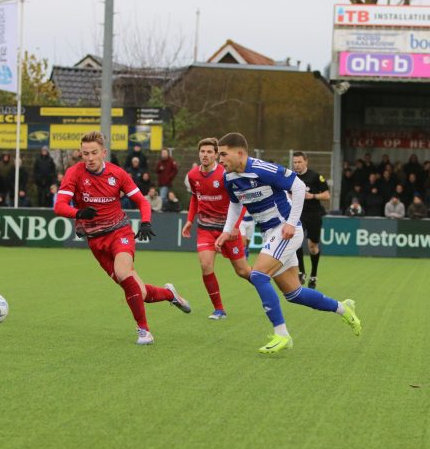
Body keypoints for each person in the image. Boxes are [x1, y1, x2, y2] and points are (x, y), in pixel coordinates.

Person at [214, 132, 360, 354]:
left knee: (258, 275)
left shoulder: (262, 168)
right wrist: (226, 232)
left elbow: (299, 186)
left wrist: (292, 223)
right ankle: (343, 308)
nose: (220, 159)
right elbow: (235, 205)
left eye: (223, 154)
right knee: (295, 294)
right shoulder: (229, 177)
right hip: (270, 233)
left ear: (240, 153)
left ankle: (281, 334)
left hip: (284, 230)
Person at [54, 131, 191, 345]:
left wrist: (145, 222)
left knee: (122, 272)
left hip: (120, 232)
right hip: (95, 241)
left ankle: (144, 331)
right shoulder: (74, 173)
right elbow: (59, 206)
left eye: (94, 153)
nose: (89, 158)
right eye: (85, 153)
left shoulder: (118, 174)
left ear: (104, 152)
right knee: (140, 291)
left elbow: (143, 202)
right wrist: (78, 213)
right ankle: (170, 294)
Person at [182, 137, 251, 319]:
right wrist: (190, 220)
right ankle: (219, 309)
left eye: (209, 152)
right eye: (202, 151)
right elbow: (195, 198)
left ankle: (266, 289)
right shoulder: (193, 175)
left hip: (227, 230)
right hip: (205, 228)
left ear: (216, 155)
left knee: (243, 271)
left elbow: (241, 201)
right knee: (205, 265)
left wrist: (235, 227)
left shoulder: (225, 174)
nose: (205, 155)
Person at [291, 151, 330, 289]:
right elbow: (288, 195)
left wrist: (312, 196)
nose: (297, 165)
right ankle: (301, 271)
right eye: (295, 162)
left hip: (314, 215)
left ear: (306, 161)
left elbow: (327, 195)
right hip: (298, 215)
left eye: (299, 162)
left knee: (313, 247)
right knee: (295, 242)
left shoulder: (315, 176)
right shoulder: (291, 177)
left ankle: (313, 274)